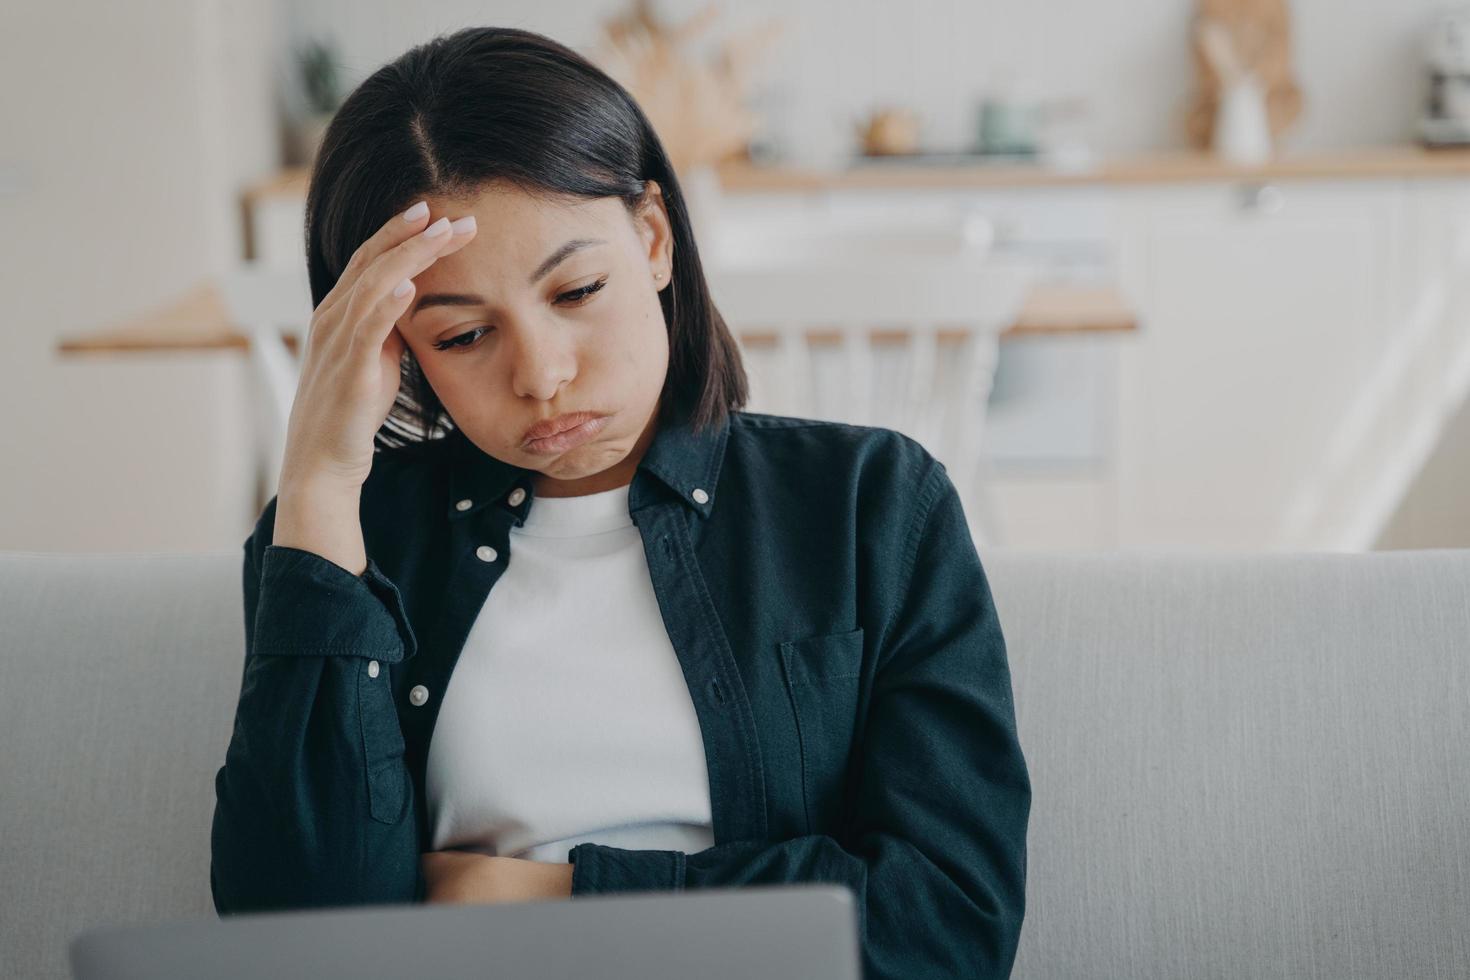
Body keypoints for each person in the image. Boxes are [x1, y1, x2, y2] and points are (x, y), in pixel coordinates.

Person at [210, 25, 1031, 979]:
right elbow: (294, 942)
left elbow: (950, 924)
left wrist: (542, 896)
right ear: (397, 348)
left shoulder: (872, 506)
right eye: (465, 336)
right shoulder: (346, 540)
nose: (542, 375)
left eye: (578, 289)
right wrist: (314, 483)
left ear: (651, 239)